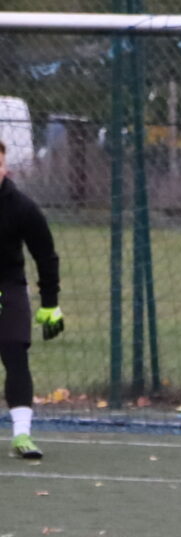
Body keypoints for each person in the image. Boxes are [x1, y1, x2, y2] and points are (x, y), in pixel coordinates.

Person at [0, 134, 64, 462]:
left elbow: (45, 255)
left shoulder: (22, 207)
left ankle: (22, 435)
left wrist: (50, 303)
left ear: (4, 166)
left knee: (15, 354)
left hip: (8, 285)